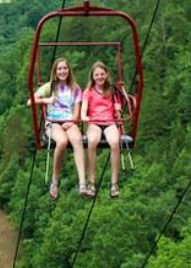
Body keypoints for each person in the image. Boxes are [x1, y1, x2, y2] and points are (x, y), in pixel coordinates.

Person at [32, 58, 88, 199]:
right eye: (59, 69)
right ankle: (55, 180)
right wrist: (46, 100)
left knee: (77, 140)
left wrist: (71, 122)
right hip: (53, 122)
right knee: (62, 142)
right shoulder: (49, 87)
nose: (62, 71)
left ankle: (82, 182)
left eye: (65, 68)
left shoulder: (76, 88)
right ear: (55, 72)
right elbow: (30, 101)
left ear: (69, 70)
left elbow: (76, 112)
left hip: (69, 121)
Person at [82, 61, 123, 198]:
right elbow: (84, 111)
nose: (99, 77)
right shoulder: (88, 92)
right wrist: (85, 118)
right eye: (96, 75)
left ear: (106, 75)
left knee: (115, 143)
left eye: (102, 74)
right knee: (92, 141)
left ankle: (114, 183)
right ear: (92, 77)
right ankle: (91, 183)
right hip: (94, 122)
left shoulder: (112, 90)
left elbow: (117, 107)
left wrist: (118, 110)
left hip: (109, 122)